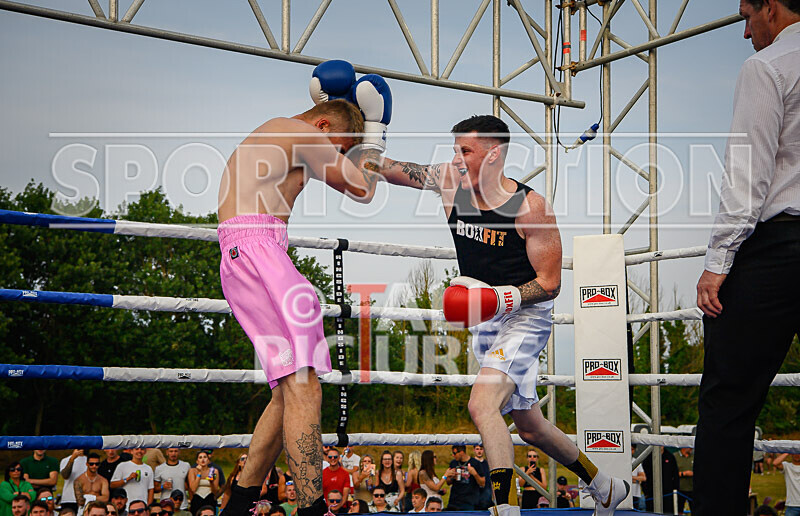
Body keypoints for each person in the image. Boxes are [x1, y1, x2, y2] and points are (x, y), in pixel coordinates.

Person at [376, 114, 629, 516]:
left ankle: (505, 508)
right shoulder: (450, 182)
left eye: (466, 151)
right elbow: (389, 170)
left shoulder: (530, 207)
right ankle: (606, 486)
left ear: (494, 154)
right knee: (530, 425)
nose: (456, 159)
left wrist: (500, 299)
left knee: (482, 405)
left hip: (525, 316)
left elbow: (549, 283)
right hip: (484, 316)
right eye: (454, 149)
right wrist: (362, 137)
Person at [216, 59, 389, 516]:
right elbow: (362, 187)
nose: (337, 157)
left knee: (288, 388)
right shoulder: (302, 133)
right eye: (340, 147)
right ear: (325, 124)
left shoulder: (277, 136)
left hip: (247, 252)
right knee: (306, 384)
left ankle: (239, 506)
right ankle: (313, 509)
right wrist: (375, 128)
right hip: (258, 250)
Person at [693, 1, 800, 514]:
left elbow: (747, 176)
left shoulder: (768, 66)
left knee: (728, 404)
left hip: (780, 246)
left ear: (772, 9)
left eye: (746, 16)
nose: (744, 31)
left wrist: (718, 262)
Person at [186, 451, 219, 516]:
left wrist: (211, 482)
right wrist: (199, 473)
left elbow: (215, 491)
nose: (203, 459)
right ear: (197, 461)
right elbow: (193, 489)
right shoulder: (192, 471)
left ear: (208, 460)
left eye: (205, 457)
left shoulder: (214, 471)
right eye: (200, 457)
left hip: (209, 498)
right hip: (197, 498)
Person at [673, 447, 694, 515]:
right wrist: (684, 473)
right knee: (679, 510)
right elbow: (671, 473)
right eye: (690, 447)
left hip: (692, 489)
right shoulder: (675, 457)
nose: (691, 449)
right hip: (680, 489)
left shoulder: (694, 456)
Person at [471, 446, 491, 510]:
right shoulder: (470, 463)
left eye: (481, 449)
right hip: (474, 495)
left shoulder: (488, 464)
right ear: (474, 450)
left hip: (486, 494)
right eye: (477, 449)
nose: (479, 451)